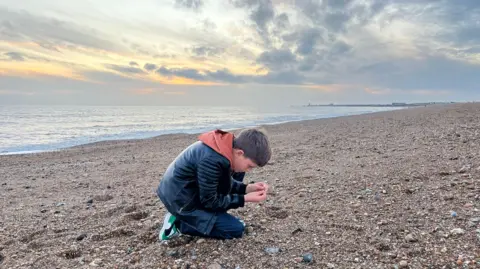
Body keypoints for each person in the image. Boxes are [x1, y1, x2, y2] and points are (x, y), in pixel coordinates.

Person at [156, 128, 272, 240]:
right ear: (240, 153)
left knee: (238, 173)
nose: (249, 170)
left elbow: (220, 181)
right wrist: (244, 198)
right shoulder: (211, 160)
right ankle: (178, 223)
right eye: (250, 166)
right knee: (235, 229)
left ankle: (209, 216)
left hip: (190, 189)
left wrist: (247, 188)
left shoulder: (226, 149)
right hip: (180, 200)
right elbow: (210, 201)